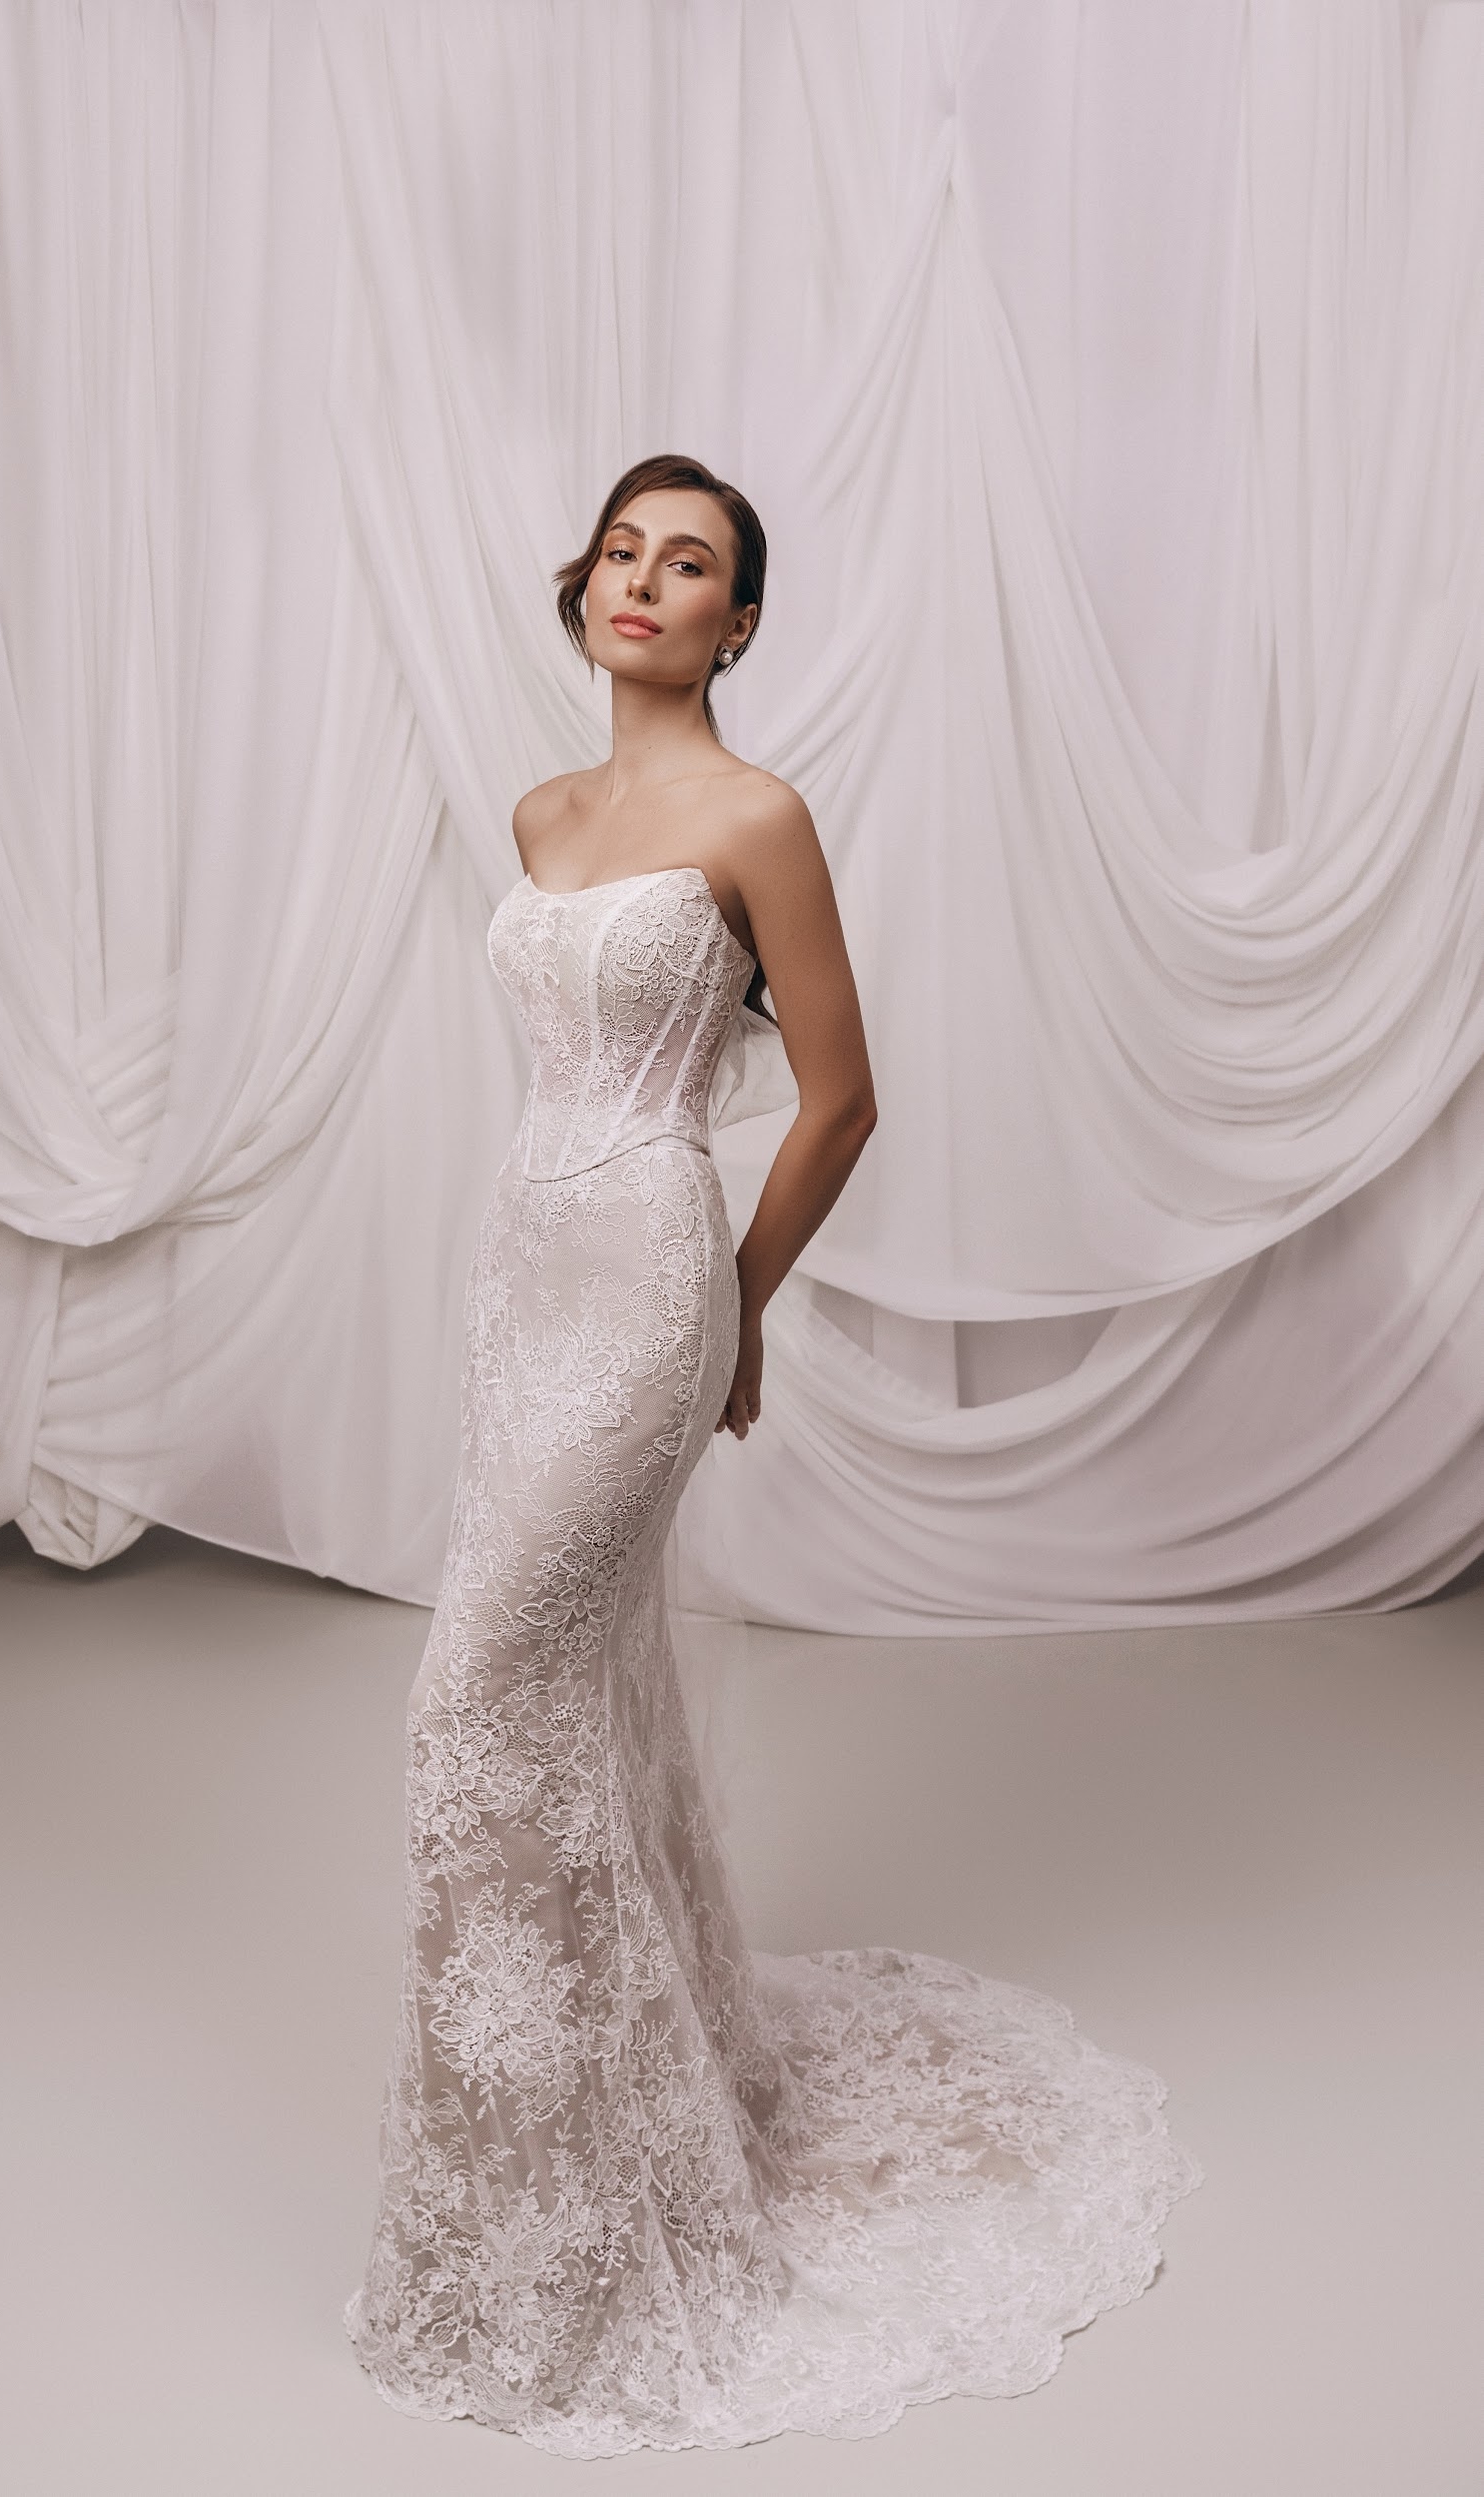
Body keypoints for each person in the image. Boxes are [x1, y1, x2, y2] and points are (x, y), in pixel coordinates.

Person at [344, 453, 1198, 2457]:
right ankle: (573, 2147)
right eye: (622, 552)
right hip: (520, 1273)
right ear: (586, 591)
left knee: (477, 1699)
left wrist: (733, 1304)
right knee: (567, 1699)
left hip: (652, 1271)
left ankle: (575, 2211)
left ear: (737, 623)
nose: (645, 581)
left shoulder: (757, 816)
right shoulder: (543, 815)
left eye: (692, 564)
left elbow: (840, 1095)